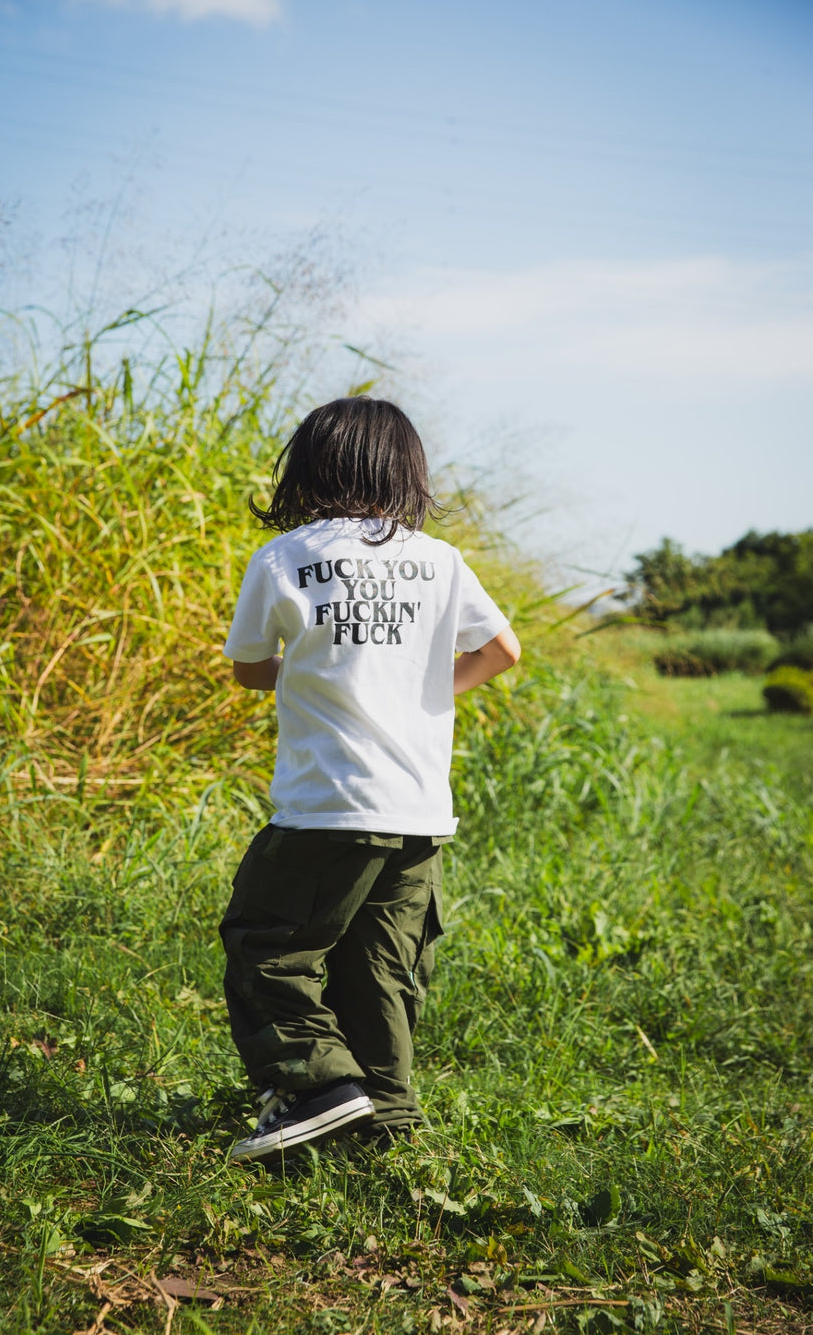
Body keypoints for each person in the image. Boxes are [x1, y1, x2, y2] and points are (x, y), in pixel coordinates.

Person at [220, 396, 521, 1163]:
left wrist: (314, 675)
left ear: (311, 464)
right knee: (382, 969)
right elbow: (502, 651)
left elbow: (251, 670)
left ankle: (320, 1089)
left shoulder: (286, 557)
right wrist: (418, 693)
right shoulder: (439, 559)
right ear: (405, 470)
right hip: (419, 809)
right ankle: (385, 1126)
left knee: (269, 947)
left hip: (329, 805)